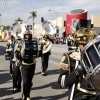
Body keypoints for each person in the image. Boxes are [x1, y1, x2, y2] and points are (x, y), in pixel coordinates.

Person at [58, 27, 98, 100]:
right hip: (79, 97)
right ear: (77, 43)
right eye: (83, 44)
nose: (86, 46)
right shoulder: (71, 56)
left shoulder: (97, 55)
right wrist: (76, 72)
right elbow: (62, 83)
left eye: (88, 43)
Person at [16, 31, 37, 100]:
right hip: (24, 64)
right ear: (24, 35)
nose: (27, 36)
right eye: (26, 35)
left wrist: (38, 53)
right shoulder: (20, 43)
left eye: (29, 35)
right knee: (25, 81)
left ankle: (28, 94)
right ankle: (24, 96)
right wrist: (20, 55)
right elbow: (17, 52)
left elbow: (39, 52)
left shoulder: (34, 42)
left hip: (32, 64)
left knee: (29, 81)